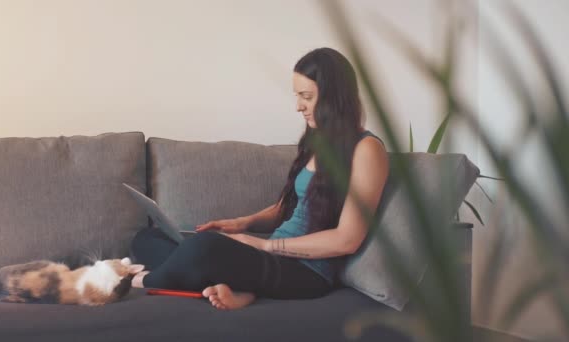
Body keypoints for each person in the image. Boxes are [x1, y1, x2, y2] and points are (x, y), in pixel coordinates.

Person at [130, 47, 389, 310]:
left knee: (203, 249)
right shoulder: (319, 140)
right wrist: (243, 223)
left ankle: (142, 280)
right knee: (148, 238)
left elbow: (347, 239)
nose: (298, 106)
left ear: (335, 97)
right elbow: (291, 206)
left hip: (307, 273)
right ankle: (237, 287)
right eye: (297, 96)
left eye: (306, 96)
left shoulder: (367, 150)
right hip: (274, 256)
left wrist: (264, 244)